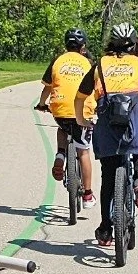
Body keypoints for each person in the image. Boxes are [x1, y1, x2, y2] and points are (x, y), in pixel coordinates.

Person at [75, 24, 138, 249]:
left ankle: (106, 228)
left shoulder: (100, 64)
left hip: (107, 121)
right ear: (136, 43)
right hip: (133, 119)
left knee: (108, 176)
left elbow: (80, 96)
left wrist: (81, 119)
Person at [37, 29, 95, 208]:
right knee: (83, 151)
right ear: (83, 47)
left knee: (62, 128)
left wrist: (41, 104)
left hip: (60, 110)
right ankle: (87, 195)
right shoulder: (89, 62)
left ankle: (61, 154)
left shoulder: (57, 60)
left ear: (65, 45)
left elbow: (48, 87)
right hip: (82, 112)